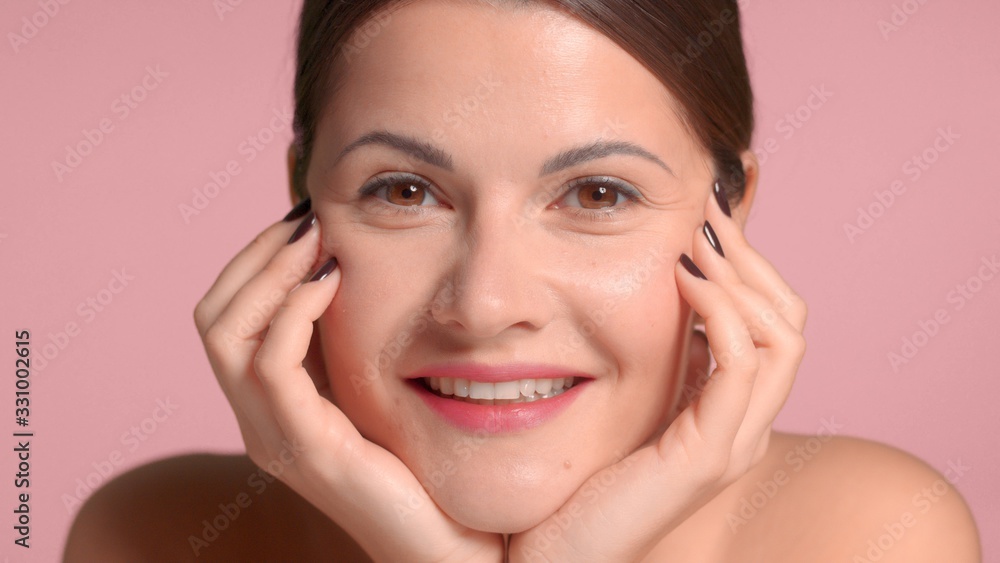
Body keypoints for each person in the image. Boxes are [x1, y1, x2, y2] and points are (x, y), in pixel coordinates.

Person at [63, 0, 981, 561]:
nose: (487, 304)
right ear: (303, 207)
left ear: (727, 216)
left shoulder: (872, 537)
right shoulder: (157, 538)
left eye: (597, 192)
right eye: (405, 190)